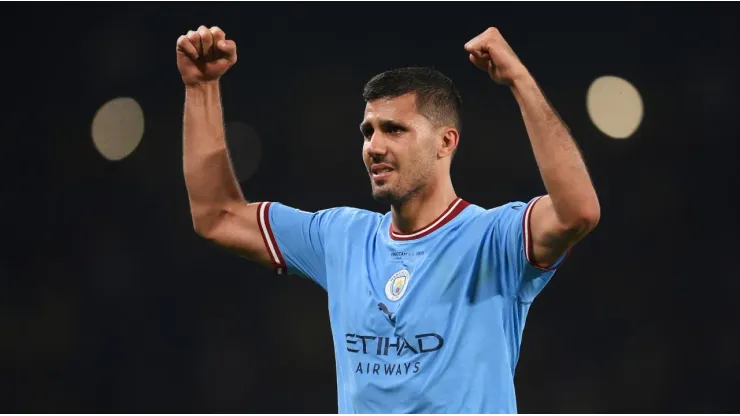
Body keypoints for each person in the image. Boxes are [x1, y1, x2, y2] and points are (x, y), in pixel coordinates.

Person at [176, 25, 600, 414]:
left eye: (394, 129)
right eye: (368, 131)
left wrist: (520, 81)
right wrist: (201, 88)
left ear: (446, 142)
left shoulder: (494, 239)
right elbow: (217, 216)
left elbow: (577, 211)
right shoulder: (341, 236)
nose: (373, 146)